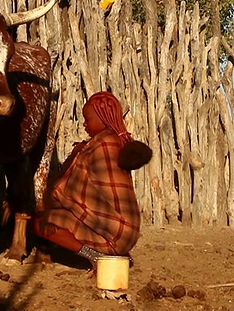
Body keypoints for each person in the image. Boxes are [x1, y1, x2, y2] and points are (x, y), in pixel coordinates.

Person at [33, 91, 150, 267]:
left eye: (88, 119)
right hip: (127, 231)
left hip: (116, 233)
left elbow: (68, 187)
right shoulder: (115, 141)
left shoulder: (101, 145)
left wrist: (75, 154)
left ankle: (95, 256)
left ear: (103, 119)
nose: (85, 124)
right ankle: (109, 253)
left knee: (40, 222)